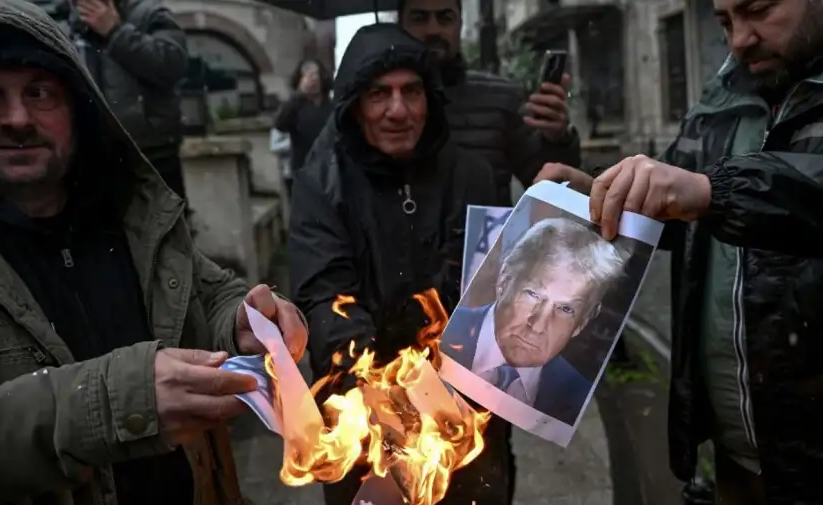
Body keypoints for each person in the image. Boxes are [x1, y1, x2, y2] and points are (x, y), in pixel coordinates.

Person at [0, 1, 308, 504]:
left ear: (79, 108)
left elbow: (206, 289)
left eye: (40, 93)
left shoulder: (133, 218)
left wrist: (241, 320)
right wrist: (108, 403)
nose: (17, 119)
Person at [535, 0, 823, 502]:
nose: (739, 40)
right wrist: (596, 195)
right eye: (725, 21)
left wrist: (714, 191)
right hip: (739, 458)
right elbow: (675, 211)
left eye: (758, 10)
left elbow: (800, 194)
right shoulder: (721, 99)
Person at [288, 23, 505, 505]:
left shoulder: (473, 176)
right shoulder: (321, 184)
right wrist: (390, 402)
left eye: (412, 91)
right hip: (364, 416)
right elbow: (324, 298)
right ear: (353, 106)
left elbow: (492, 290)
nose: (398, 110)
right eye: (378, 95)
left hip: (464, 417)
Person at [441, 217, 627, 424]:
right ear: (504, 281)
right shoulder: (437, 334)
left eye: (565, 309)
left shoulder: (573, 393)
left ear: (582, 322)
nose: (537, 325)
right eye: (533, 294)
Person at [397, 0, 581, 206]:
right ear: (400, 25)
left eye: (445, 18)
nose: (433, 29)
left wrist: (557, 139)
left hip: (489, 236)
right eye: (419, 18)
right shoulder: (378, 109)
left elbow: (553, 191)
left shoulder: (501, 98)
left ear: (460, 24)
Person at [69, 0, 189, 200]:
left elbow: (172, 65)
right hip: (90, 160)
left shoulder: (148, 13)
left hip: (151, 156)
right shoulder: (65, 24)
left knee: (162, 227)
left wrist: (115, 32)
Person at [274, 58, 334, 185]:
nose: (313, 79)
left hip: (331, 172)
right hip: (303, 171)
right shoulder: (295, 106)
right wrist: (299, 94)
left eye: (315, 74)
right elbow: (280, 125)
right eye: (307, 74)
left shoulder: (332, 107)